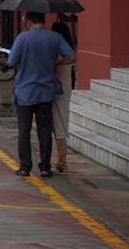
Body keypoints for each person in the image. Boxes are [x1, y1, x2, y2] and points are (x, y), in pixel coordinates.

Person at [8, 10, 75, 178]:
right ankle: (45, 167)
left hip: (25, 91)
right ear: (44, 20)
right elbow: (72, 56)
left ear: (30, 21)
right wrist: (58, 61)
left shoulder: (22, 38)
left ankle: (25, 167)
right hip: (46, 90)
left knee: (24, 130)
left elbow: (11, 61)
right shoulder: (55, 38)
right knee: (44, 129)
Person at [51, 13, 76, 175]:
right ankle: (60, 160)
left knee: (58, 124)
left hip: (58, 89)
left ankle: (61, 162)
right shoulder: (68, 50)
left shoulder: (60, 52)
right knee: (60, 122)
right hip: (65, 89)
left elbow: (58, 72)